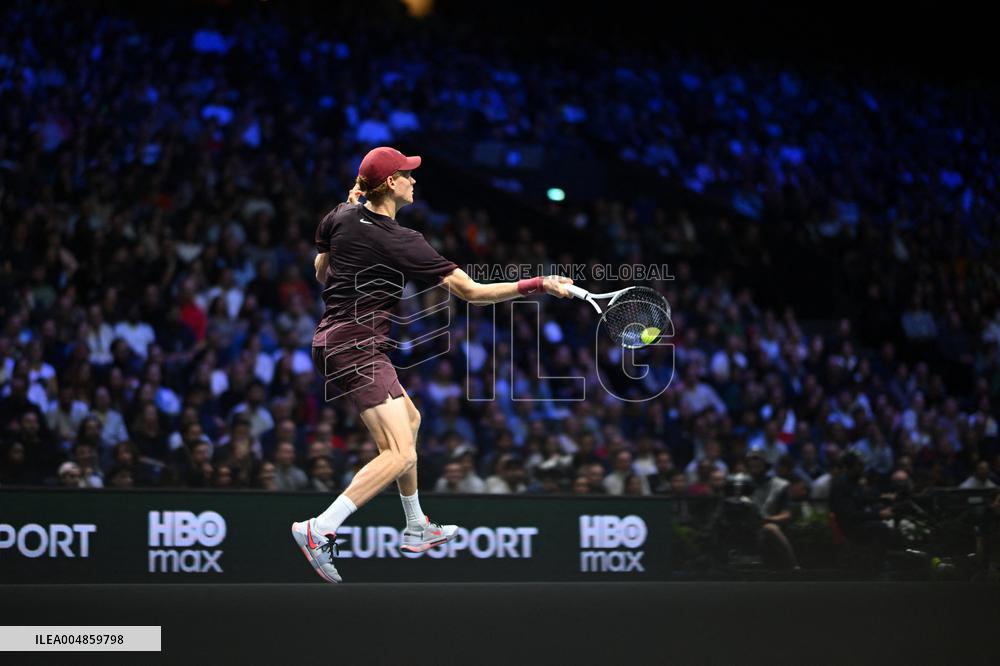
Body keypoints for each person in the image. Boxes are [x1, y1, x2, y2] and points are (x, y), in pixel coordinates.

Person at [291, 146, 573, 582]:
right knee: (398, 452)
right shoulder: (402, 240)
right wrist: (539, 283)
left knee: (411, 419)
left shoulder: (340, 215)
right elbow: (473, 293)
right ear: (389, 184)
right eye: (406, 174)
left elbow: (321, 272)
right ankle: (320, 528)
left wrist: (347, 211)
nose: (413, 180)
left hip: (341, 341)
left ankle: (416, 525)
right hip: (356, 347)